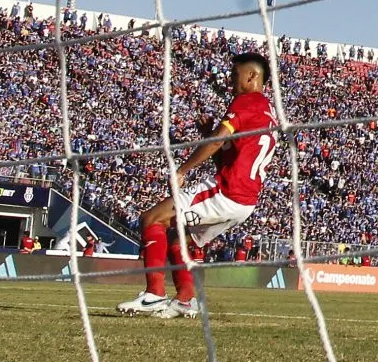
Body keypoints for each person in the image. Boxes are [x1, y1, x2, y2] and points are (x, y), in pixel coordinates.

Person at [117, 52, 278, 319]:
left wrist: (182, 170)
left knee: (151, 219)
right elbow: (224, 157)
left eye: (234, 74)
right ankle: (185, 300)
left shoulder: (246, 101)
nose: (230, 80)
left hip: (228, 191)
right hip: (245, 201)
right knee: (176, 236)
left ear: (251, 76)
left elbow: (218, 140)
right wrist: (208, 135)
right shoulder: (266, 111)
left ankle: (154, 295)